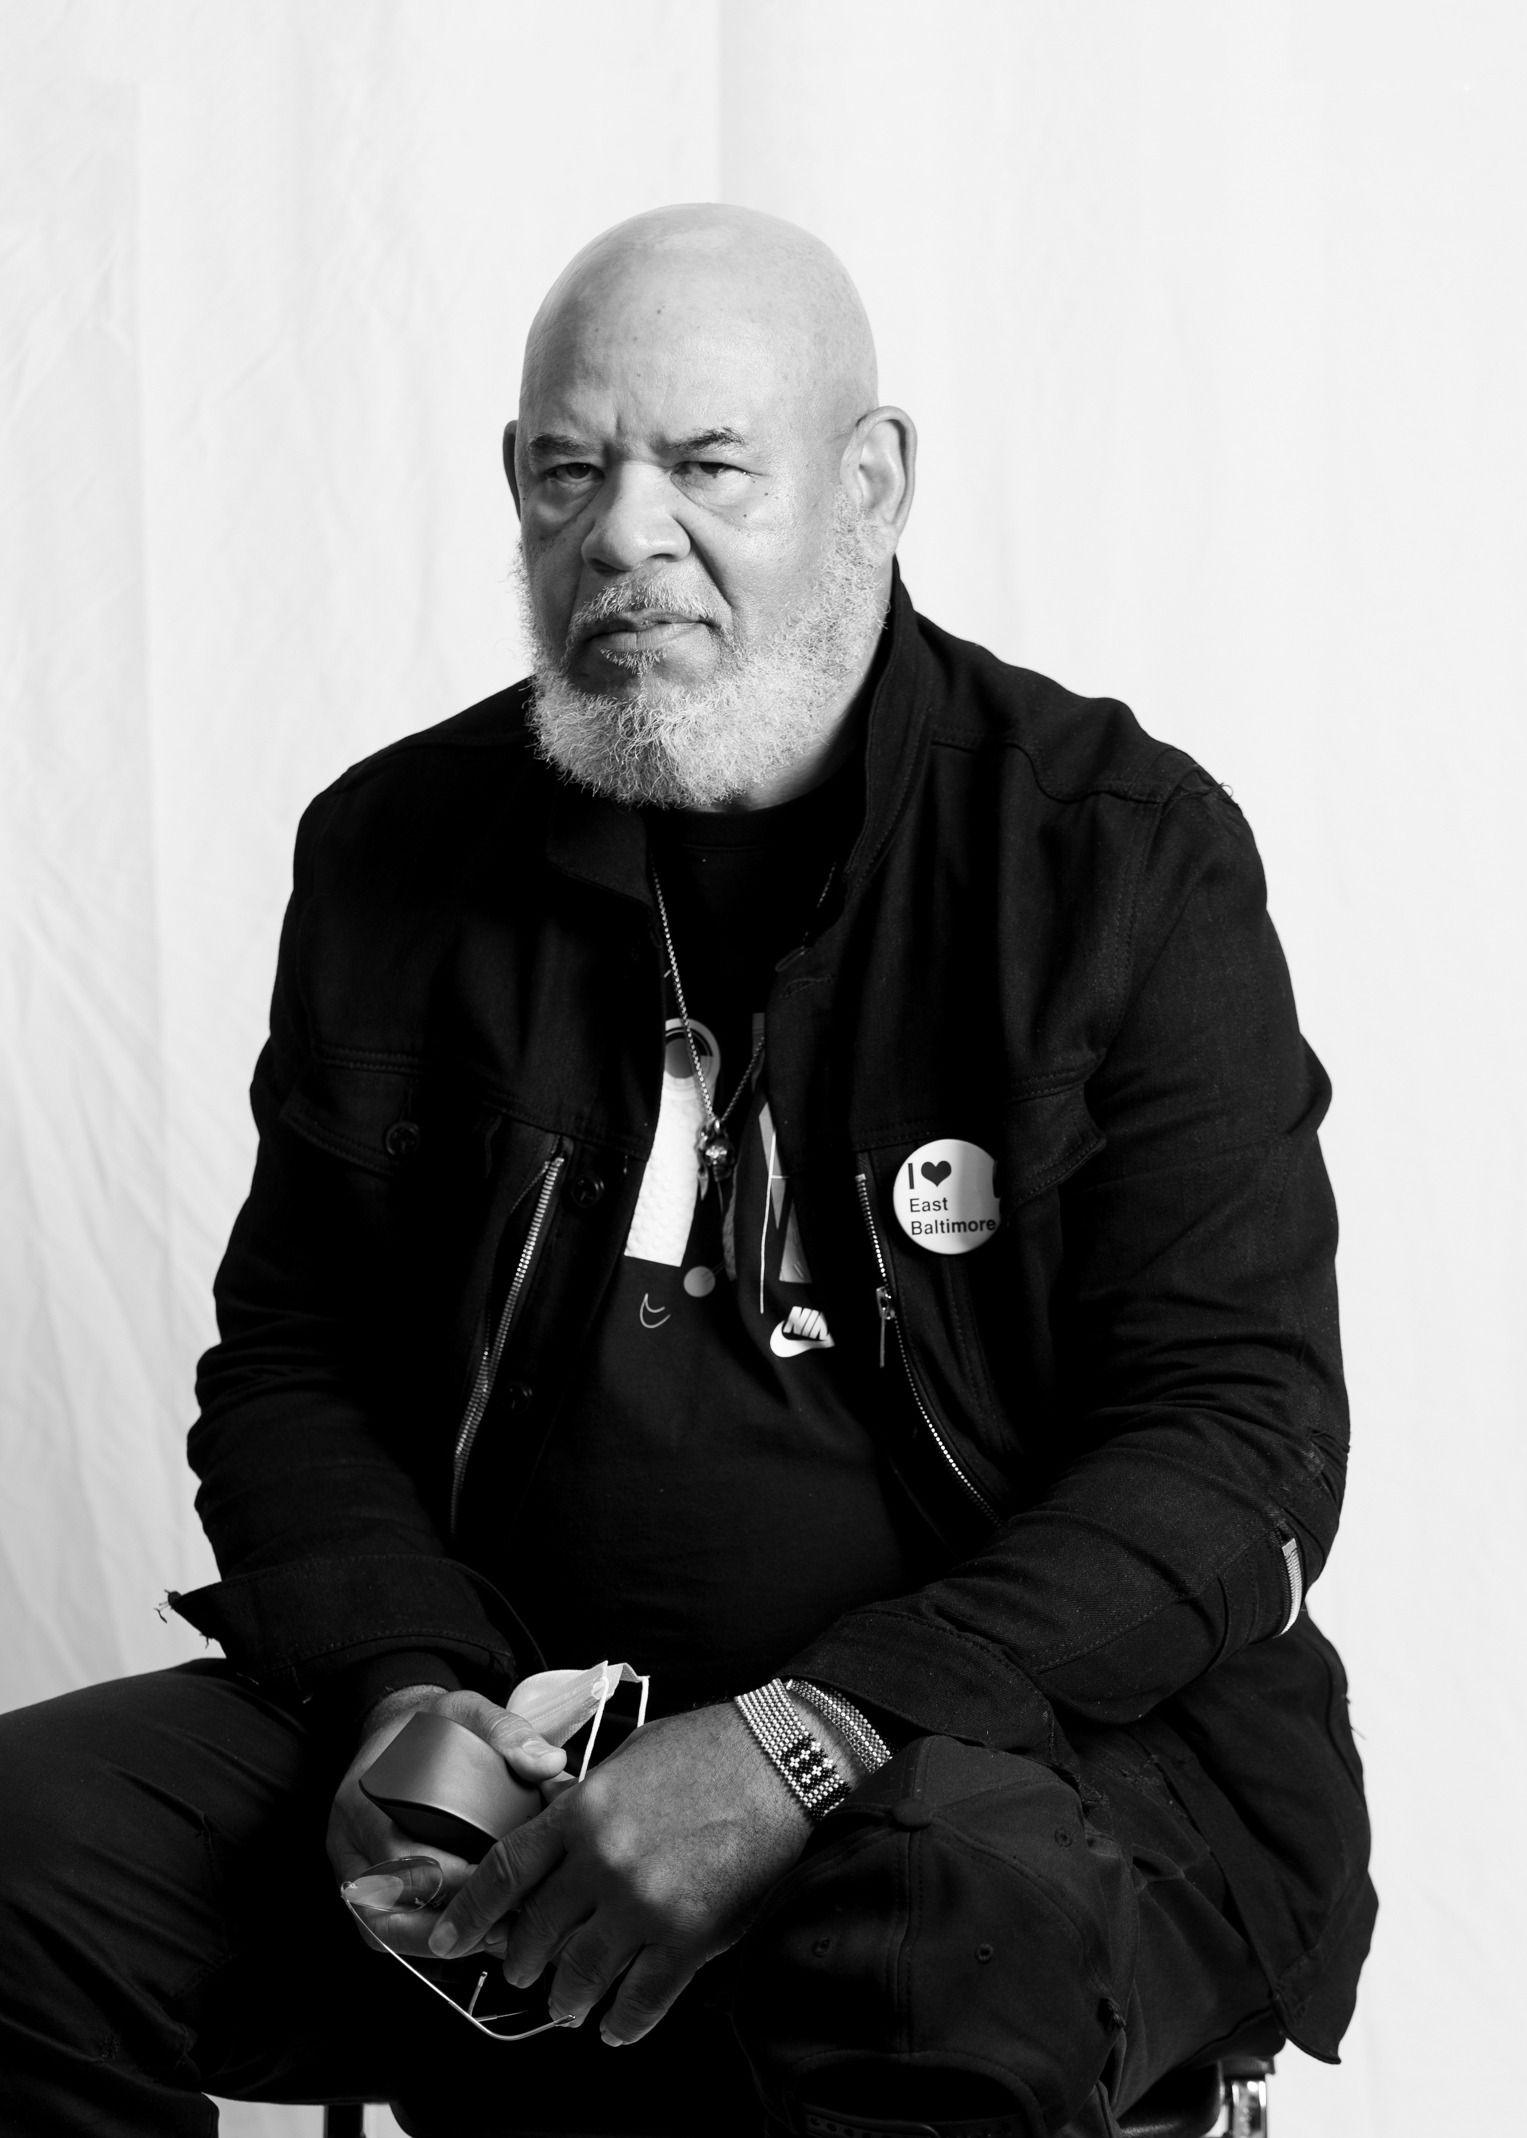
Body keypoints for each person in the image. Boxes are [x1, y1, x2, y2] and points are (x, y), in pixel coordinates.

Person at [0, 205, 1374, 2138]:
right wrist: (406, 1694)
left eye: (708, 463)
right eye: (571, 469)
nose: (625, 533)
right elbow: (297, 1354)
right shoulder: (394, 854)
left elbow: (1241, 1444)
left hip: (996, 1761)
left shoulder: (1114, 858)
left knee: (926, 1938)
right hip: (523, 1743)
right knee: (20, 1871)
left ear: (870, 482)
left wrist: (804, 1742)